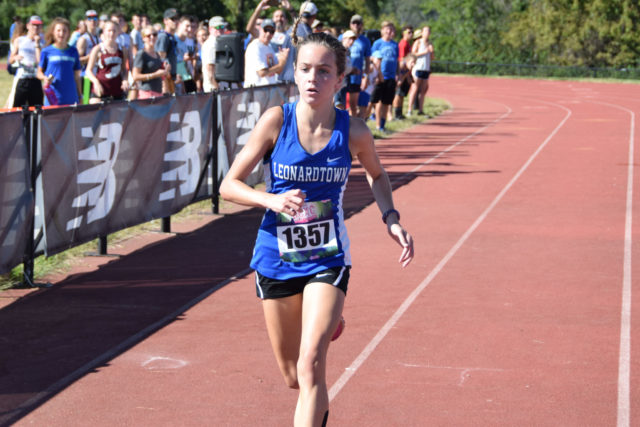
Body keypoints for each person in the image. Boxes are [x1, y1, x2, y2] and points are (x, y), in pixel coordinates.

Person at [219, 27, 414, 427]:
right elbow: (229, 185)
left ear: (340, 80)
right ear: (294, 73)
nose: (313, 78)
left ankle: (324, 314)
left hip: (327, 256)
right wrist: (271, 199)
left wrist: (391, 218)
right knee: (293, 377)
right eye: (306, 69)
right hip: (276, 255)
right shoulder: (276, 121)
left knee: (310, 365)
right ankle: (327, 322)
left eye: (324, 71)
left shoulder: (354, 132)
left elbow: (377, 176)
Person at [246, 0, 296, 83]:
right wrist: (259, 9)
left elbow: (299, 26)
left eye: (282, 16)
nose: (279, 18)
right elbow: (249, 28)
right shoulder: (263, 38)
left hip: (282, 79)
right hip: (265, 82)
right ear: (273, 19)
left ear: (286, 20)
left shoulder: (289, 35)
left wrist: (291, 9)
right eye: (276, 16)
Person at [37, 17, 82, 106]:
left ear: (68, 33)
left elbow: (77, 77)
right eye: (58, 30)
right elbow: (39, 73)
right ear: (53, 32)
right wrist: (45, 78)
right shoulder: (46, 51)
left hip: (71, 98)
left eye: (64, 31)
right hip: (53, 98)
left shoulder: (73, 51)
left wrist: (80, 96)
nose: (61, 33)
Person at [85, 20, 129, 103]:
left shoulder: (123, 50)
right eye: (109, 31)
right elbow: (88, 70)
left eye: (114, 31)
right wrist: (95, 82)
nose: (111, 33)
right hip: (100, 90)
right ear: (104, 32)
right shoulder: (97, 49)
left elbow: (124, 69)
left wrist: (125, 80)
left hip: (116, 91)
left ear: (118, 32)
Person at [340, 14, 371, 117]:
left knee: (354, 106)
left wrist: (366, 77)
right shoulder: (342, 38)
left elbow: (367, 60)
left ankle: (353, 130)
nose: (356, 25)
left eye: (359, 23)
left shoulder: (365, 41)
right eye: (354, 23)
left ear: (362, 25)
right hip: (342, 77)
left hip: (356, 77)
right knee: (340, 104)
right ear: (350, 24)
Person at [370, 21, 398, 133]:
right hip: (381, 76)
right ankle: (377, 125)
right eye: (387, 29)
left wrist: (397, 74)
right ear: (382, 31)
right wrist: (376, 74)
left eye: (391, 30)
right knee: (378, 102)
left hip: (391, 77)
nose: (389, 32)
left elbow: (397, 60)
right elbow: (372, 58)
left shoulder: (395, 45)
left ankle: (382, 124)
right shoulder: (377, 43)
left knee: (387, 103)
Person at [10, 15, 44, 107]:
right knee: (18, 110)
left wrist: (37, 44)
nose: (36, 28)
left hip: (36, 80)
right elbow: (10, 60)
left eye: (38, 25)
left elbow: (39, 61)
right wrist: (15, 57)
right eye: (33, 25)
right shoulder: (20, 40)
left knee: (37, 110)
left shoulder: (42, 42)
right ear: (28, 26)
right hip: (22, 79)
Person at [243, 19, 289, 87]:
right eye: (266, 30)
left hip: (267, 92)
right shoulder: (255, 46)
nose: (268, 33)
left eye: (271, 31)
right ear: (260, 29)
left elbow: (278, 71)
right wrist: (281, 64)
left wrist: (283, 59)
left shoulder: (269, 47)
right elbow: (262, 73)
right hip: (255, 93)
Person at [132, 26, 169, 99]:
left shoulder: (157, 55)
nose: (152, 37)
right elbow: (135, 76)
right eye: (148, 36)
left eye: (154, 34)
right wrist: (154, 75)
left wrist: (165, 70)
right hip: (146, 93)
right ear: (143, 38)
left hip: (158, 93)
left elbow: (161, 75)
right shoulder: (141, 54)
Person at [407, 26, 434, 116]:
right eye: (426, 31)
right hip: (418, 68)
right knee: (414, 88)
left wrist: (431, 52)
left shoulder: (430, 43)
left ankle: (421, 110)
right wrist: (424, 52)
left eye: (429, 31)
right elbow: (413, 54)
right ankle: (409, 110)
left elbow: (432, 58)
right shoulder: (418, 42)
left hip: (426, 69)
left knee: (423, 90)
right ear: (422, 33)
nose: (427, 33)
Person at [76, 10, 100, 103]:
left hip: (97, 75)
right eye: (89, 19)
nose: (92, 21)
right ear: (85, 21)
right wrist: (92, 57)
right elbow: (77, 61)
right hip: (86, 77)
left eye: (95, 18)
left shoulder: (100, 38)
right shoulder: (83, 39)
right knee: (86, 106)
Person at [156, 8, 180, 94]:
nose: (176, 21)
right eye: (173, 19)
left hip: (172, 77)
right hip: (166, 78)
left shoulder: (172, 36)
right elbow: (161, 57)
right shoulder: (163, 36)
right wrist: (165, 79)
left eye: (177, 19)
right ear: (165, 21)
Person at [201, 16, 226, 92]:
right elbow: (210, 68)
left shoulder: (220, 42)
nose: (220, 29)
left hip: (220, 87)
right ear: (210, 29)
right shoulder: (211, 44)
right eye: (217, 27)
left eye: (222, 26)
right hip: (213, 88)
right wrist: (216, 87)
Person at [392, 53, 415, 120]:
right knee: (398, 95)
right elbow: (399, 80)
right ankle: (396, 114)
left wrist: (409, 79)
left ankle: (400, 113)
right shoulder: (401, 65)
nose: (413, 64)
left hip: (401, 79)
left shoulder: (408, 67)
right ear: (407, 60)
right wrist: (404, 77)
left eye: (414, 62)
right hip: (395, 79)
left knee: (401, 95)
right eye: (412, 62)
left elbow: (407, 79)